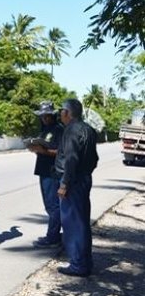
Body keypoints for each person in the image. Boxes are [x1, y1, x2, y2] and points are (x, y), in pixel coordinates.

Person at [54, 98, 99, 277]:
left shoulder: (71, 131)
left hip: (72, 182)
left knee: (73, 224)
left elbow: (71, 159)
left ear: (67, 112)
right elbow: (94, 159)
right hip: (83, 179)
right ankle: (85, 262)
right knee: (82, 222)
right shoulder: (89, 129)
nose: (60, 115)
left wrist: (65, 183)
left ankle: (78, 265)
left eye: (61, 111)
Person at [28, 101, 63, 248]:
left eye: (46, 116)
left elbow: (62, 152)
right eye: (42, 116)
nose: (44, 118)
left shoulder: (58, 130)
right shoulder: (45, 129)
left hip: (52, 172)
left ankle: (53, 236)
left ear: (52, 115)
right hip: (43, 171)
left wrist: (44, 152)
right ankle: (54, 234)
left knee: (53, 205)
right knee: (49, 205)